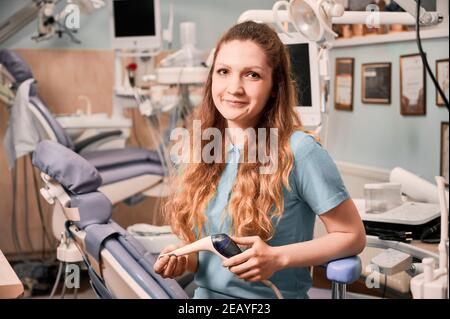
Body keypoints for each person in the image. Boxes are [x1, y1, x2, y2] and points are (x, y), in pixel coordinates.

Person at [154, 21, 366, 299]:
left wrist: (278, 258)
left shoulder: (299, 151)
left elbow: (352, 236)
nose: (234, 87)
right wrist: (185, 257)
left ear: (274, 87)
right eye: (224, 72)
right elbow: (206, 256)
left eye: (252, 75)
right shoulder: (198, 150)